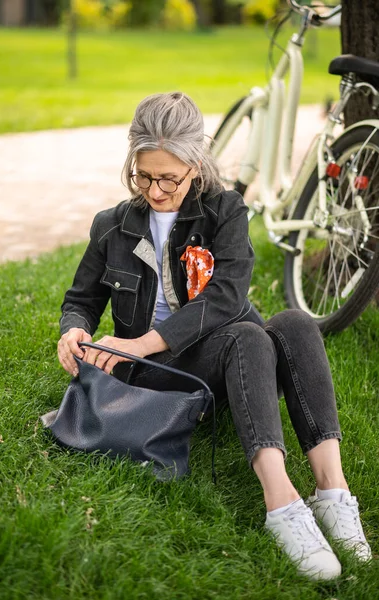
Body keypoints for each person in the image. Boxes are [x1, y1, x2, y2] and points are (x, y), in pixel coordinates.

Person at [57, 92, 371, 580]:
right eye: (144, 176)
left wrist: (141, 340)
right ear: (132, 163)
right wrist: (74, 330)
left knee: (294, 323)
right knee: (249, 336)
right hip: (158, 376)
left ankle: (332, 491)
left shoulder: (225, 211)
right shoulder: (111, 226)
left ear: (196, 166)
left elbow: (224, 297)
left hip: (224, 363)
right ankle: (281, 502)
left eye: (169, 178)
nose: (155, 190)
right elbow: (81, 299)